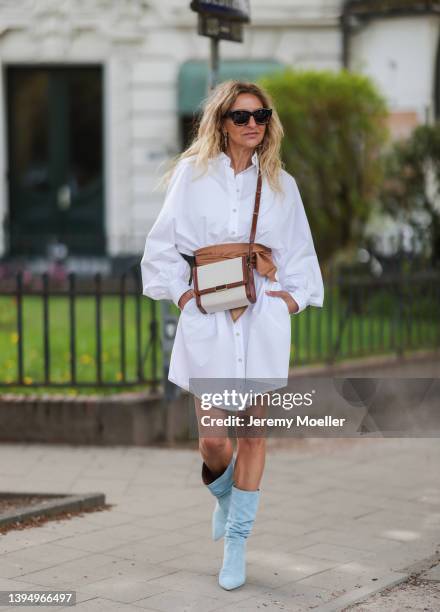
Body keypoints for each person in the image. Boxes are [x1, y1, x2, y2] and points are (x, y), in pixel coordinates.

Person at [140, 80, 324, 590]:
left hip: (261, 317)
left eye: (261, 116)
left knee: (253, 434)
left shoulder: (282, 185)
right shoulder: (192, 176)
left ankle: (238, 542)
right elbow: (160, 248)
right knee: (215, 440)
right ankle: (224, 494)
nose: (252, 125)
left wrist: (288, 299)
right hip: (210, 316)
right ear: (221, 122)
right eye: (241, 116)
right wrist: (183, 298)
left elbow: (300, 255)